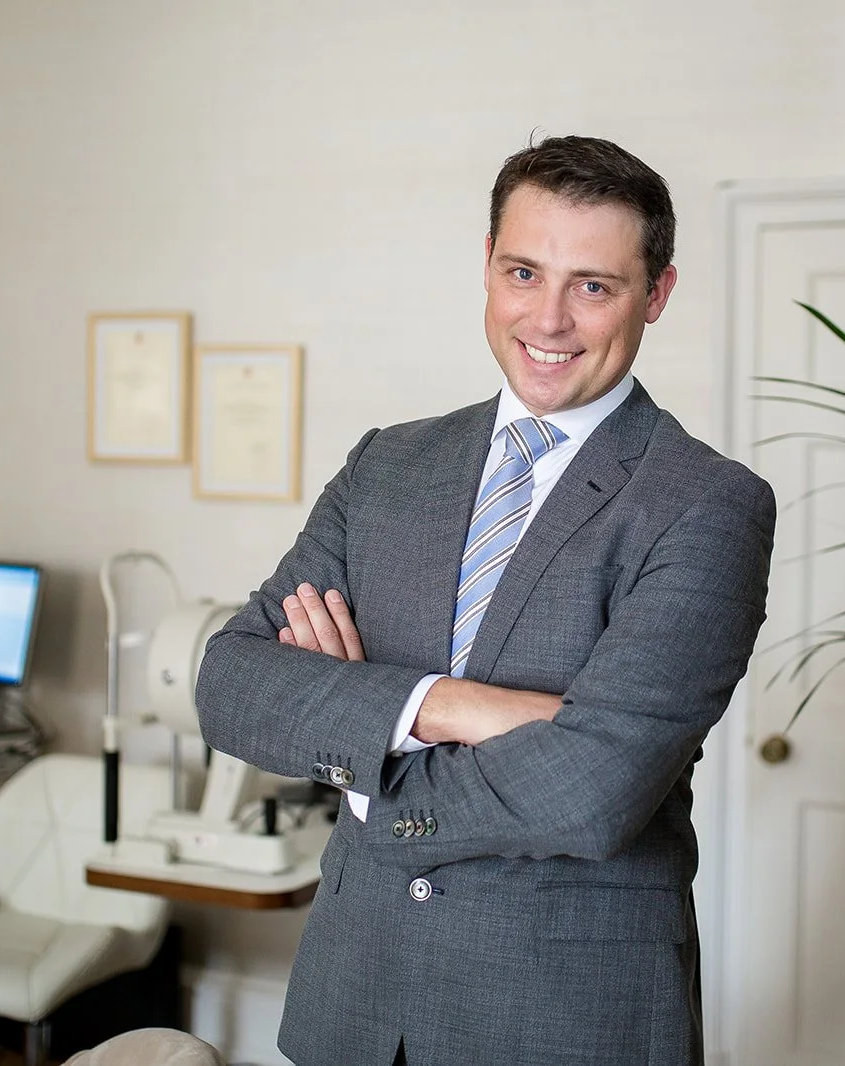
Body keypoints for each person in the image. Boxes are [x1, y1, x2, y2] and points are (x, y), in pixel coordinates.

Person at [194, 134, 775, 1066]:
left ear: (656, 295)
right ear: (488, 273)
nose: (548, 319)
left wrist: (362, 757)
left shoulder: (707, 504)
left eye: (594, 285)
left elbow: (595, 790)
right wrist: (454, 707)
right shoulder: (388, 465)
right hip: (355, 998)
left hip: (561, 1018)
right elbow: (228, 682)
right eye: (523, 272)